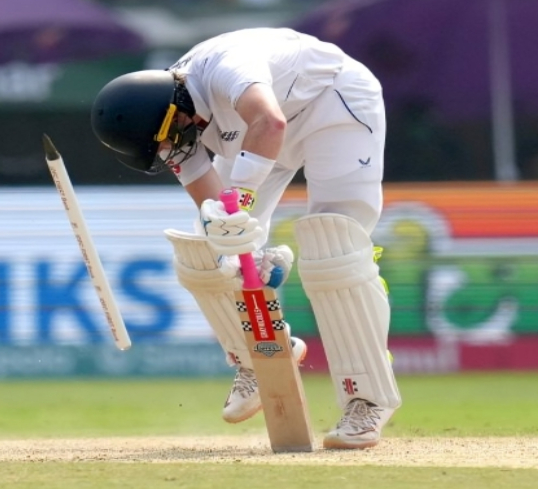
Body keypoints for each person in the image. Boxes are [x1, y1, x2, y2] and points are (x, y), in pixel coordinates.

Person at [90, 27, 400, 450]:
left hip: (332, 104)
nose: (171, 150)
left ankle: (368, 398)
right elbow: (217, 210)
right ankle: (261, 354)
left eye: (167, 139)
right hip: (259, 136)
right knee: (208, 248)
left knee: (335, 247)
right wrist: (239, 244)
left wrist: (243, 199)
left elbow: (269, 121)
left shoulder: (226, 68)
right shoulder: (173, 124)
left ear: (175, 112)